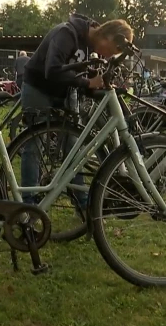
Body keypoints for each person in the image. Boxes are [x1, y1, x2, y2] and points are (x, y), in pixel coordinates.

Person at [20, 13, 134, 209]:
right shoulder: (66, 34)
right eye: (114, 51)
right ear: (107, 37)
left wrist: (95, 85)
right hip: (39, 88)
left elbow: (83, 76)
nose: (110, 57)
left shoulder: (91, 48)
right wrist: (87, 82)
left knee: (74, 147)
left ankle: (81, 201)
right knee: (34, 146)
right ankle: (28, 204)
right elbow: (53, 70)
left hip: (64, 93)